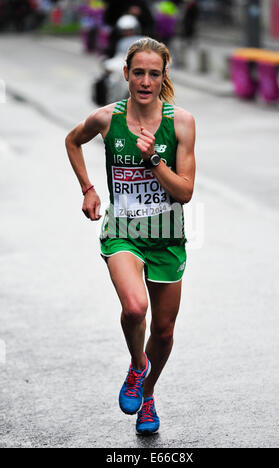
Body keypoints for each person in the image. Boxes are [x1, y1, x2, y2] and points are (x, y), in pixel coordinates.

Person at [65, 37, 196, 435]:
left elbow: (185, 192)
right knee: (136, 309)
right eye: (137, 72)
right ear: (126, 73)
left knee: (165, 330)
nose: (144, 80)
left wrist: (154, 158)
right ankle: (138, 366)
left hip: (167, 235)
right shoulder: (107, 118)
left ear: (162, 77)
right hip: (122, 231)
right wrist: (89, 189)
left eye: (153, 74)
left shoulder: (182, 123)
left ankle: (148, 394)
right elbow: (72, 141)